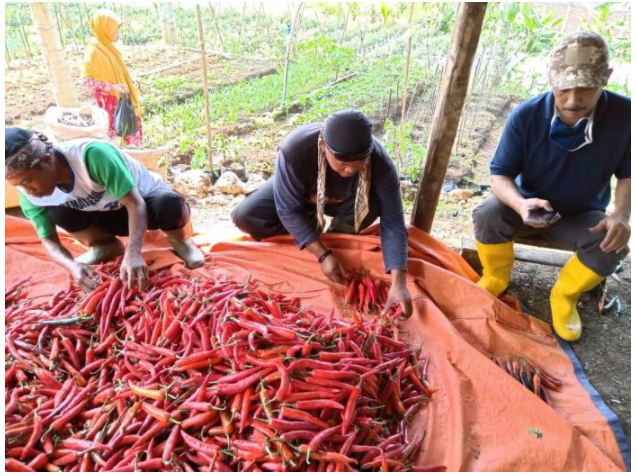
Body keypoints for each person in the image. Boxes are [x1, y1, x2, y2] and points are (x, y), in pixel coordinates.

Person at [472, 31, 630, 341]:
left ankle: (564, 296)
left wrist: (621, 214)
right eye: (564, 89)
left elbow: (628, 174)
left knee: (613, 241)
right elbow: (500, 175)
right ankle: (495, 278)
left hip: (581, 216)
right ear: (550, 80)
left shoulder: (626, 116)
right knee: (488, 212)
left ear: (606, 78)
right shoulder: (526, 116)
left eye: (585, 88)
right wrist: (520, 204)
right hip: (528, 209)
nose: (573, 100)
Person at [231, 110, 413, 318]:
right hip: (300, 195)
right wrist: (322, 254)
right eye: (342, 163)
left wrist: (399, 282)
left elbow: (394, 223)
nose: (350, 171)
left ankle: (332, 231)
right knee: (246, 215)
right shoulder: (295, 150)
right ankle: (310, 228)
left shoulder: (380, 162)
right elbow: (287, 209)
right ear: (323, 146)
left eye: (358, 164)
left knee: (375, 202)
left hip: (347, 201)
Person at [5, 128, 205, 291]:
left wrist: (134, 253)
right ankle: (104, 245)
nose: (27, 190)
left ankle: (181, 241)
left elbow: (135, 204)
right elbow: (48, 239)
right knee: (56, 211)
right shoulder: (29, 192)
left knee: (170, 204)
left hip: (143, 205)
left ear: (47, 161)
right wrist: (72, 266)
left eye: (28, 181)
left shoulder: (92, 156)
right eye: (19, 185)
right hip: (102, 214)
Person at [81, 9, 143, 146]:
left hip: (123, 99)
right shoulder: (94, 51)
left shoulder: (109, 48)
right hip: (111, 105)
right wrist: (111, 87)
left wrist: (130, 81)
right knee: (118, 140)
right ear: (104, 30)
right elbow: (86, 81)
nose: (117, 34)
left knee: (130, 135)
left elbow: (116, 72)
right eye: (114, 30)